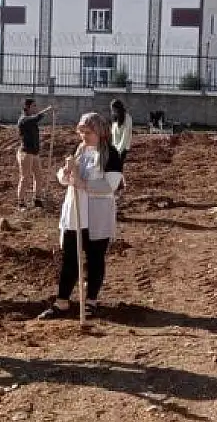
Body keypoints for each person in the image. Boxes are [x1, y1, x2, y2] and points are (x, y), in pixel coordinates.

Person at [39, 112, 123, 320]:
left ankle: (91, 301)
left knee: (95, 259)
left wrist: (83, 184)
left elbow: (109, 186)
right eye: (81, 132)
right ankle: (62, 302)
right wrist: (65, 175)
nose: (84, 136)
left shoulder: (111, 155)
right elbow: (64, 175)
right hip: (75, 215)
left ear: (100, 132)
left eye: (88, 132)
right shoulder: (78, 151)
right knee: (69, 259)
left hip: (96, 215)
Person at [17, 98, 55, 210]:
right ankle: (21, 203)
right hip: (26, 153)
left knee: (39, 176)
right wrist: (48, 109)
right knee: (25, 177)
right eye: (33, 106)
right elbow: (36, 117)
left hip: (34, 153)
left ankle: (37, 199)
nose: (35, 108)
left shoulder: (31, 119)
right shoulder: (24, 120)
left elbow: (36, 118)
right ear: (27, 108)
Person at [110, 99, 132, 193]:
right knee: (115, 166)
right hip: (115, 146)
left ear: (118, 108)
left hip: (123, 147)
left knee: (118, 166)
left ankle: (119, 185)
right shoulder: (115, 118)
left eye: (114, 109)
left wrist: (119, 150)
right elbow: (114, 134)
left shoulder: (127, 118)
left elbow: (125, 136)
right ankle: (120, 184)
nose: (112, 112)